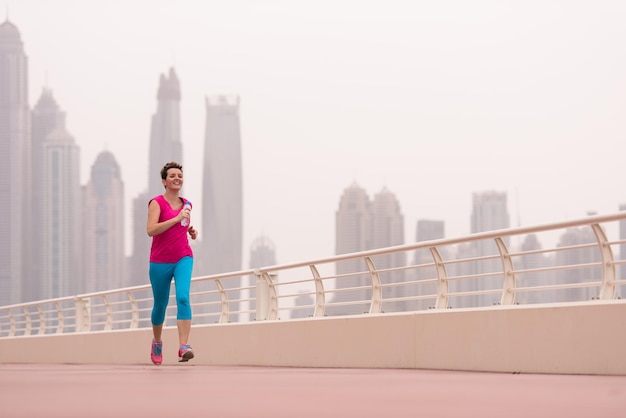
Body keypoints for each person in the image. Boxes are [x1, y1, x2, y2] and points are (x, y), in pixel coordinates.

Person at [147, 161, 198, 365]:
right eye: (172, 176)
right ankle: (157, 341)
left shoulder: (187, 204)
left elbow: (181, 226)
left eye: (179, 175)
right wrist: (177, 220)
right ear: (164, 181)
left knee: (183, 297)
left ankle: (184, 346)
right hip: (159, 261)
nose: (177, 178)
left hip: (183, 257)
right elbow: (151, 230)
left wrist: (189, 231)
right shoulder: (156, 203)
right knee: (160, 305)